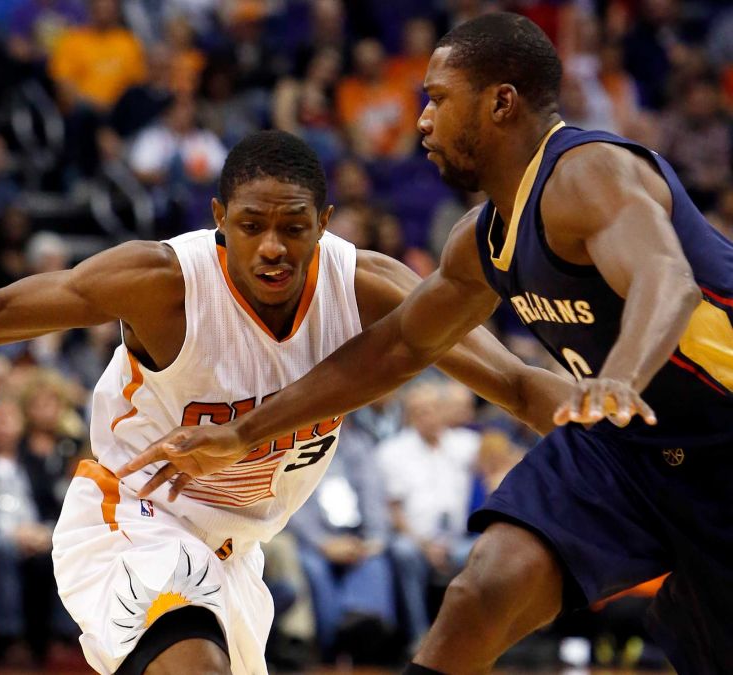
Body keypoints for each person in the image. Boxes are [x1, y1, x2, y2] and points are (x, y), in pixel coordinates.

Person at [0, 130, 569, 675]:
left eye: (293, 227)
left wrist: (624, 415)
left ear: (326, 222)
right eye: (251, 226)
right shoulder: (163, 283)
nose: (272, 246)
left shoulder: (368, 287)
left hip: (236, 558)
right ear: (218, 216)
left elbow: (520, 385)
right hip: (128, 518)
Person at [121, 14, 733, 675]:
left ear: (501, 102)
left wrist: (621, 376)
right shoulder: (482, 239)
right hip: (626, 446)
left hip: (718, 439)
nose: (422, 121)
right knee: (483, 588)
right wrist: (244, 432)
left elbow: (668, 283)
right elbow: (394, 349)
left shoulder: (590, 172)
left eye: (438, 98)